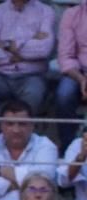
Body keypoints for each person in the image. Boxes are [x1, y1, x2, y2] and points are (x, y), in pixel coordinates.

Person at [0, 0, 53, 124]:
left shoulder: (45, 11)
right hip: (0, 75)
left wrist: (4, 45)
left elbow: (43, 49)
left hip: (32, 76)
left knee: (33, 94)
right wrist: (27, 43)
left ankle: (23, 137)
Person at [0, 100, 58, 200]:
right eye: (10, 124)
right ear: (1, 125)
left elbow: (45, 179)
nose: (16, 130)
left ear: (32, 125)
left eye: (22, 124)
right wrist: (9, 185)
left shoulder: (45, 145)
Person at [59, 3, 87, 140]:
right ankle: (67, 148)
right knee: (64, 94)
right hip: (78, 70)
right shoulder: (72, 14)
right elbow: (65, 56)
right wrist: (82, 79)